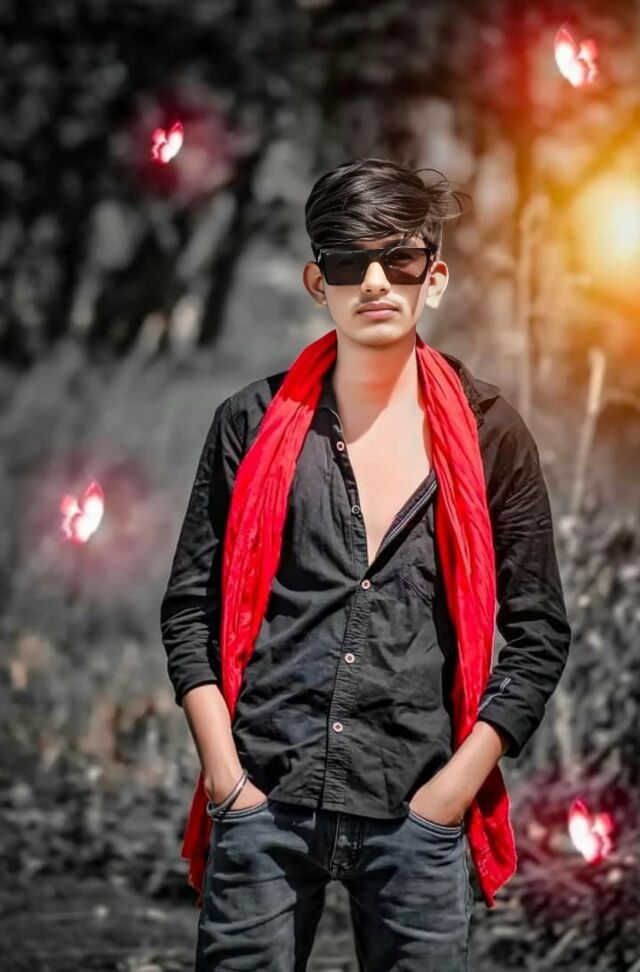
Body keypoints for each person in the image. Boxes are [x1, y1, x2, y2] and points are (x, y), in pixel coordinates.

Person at [160, 158, 572, 971]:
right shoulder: (249, 422)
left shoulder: (491, 434)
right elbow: (189, 609)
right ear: (319, 283)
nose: (376, 282)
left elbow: (538, 634)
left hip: (418, 808)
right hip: (264, 802)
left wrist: (450, 794)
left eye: (400, 259)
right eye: (350, 261)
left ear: (434, 278)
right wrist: (226, 781)